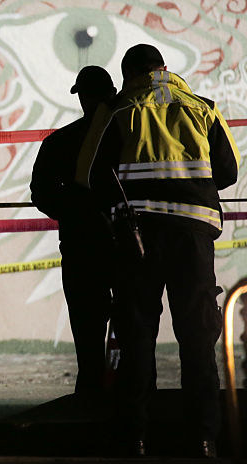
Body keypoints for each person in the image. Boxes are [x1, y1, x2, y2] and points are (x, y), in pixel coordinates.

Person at [76, 44, 240, 458]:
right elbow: (228, 172)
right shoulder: (203, 108)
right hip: (193, 236)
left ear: (129, 74)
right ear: (164, 69)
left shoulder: (118, 109)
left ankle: (135, 438)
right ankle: (204, 439)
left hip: (138, 237)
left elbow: (88, 175)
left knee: (138, 336)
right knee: (197, 339)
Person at [30, 65, 117, 396]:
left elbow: (41, 194)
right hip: (126, 246)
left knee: (88, 333)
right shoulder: (129, 137)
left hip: (81, 247)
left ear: (82, 96)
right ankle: (135, 400)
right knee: (135, 332)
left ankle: (90, 398)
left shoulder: (60, 142)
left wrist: (76, 213)